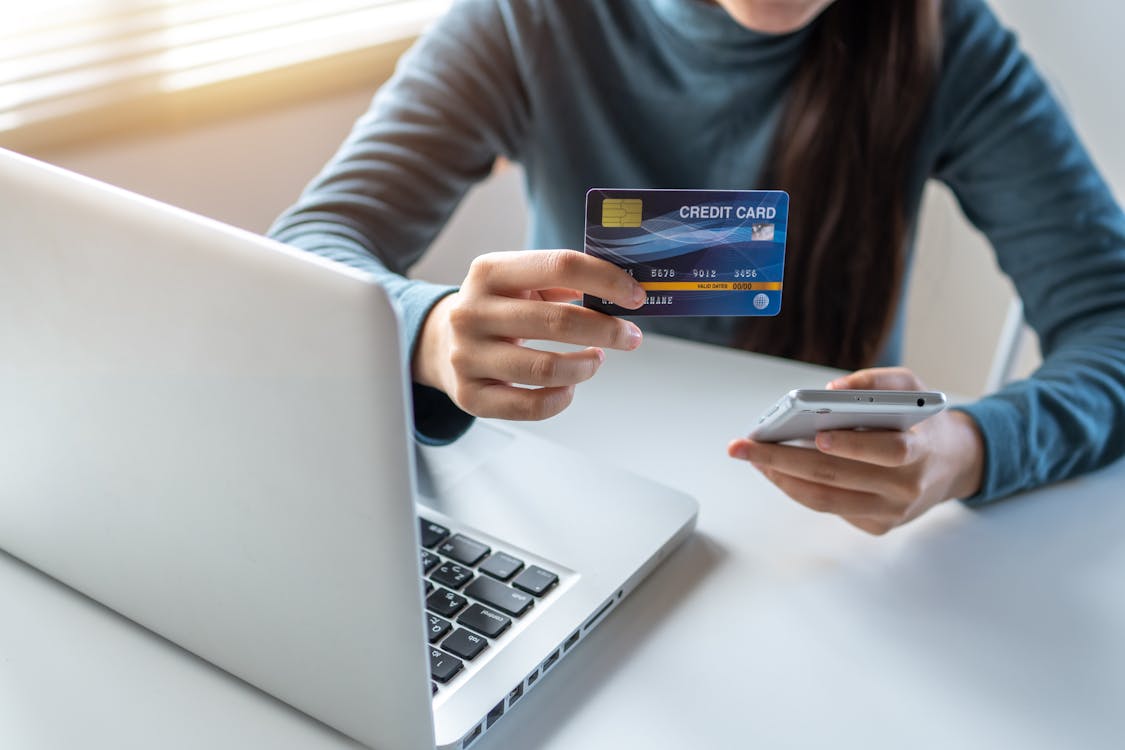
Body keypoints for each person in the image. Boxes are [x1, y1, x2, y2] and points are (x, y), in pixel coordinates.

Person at [269, 0, 1125, 535]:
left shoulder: (949, 40)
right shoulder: (524, 20)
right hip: (566, 504)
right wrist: (429, 329)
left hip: (818, 542)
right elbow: (305, 250)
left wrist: (970, 446)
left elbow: (1112, 318)